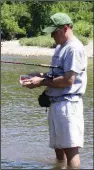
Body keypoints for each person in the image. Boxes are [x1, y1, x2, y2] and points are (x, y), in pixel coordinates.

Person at [20, 13, 87, 169]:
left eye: (53, 32)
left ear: (65, 28)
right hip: (55, 104)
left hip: (69, 105)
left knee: (71, 150)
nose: (51, 36)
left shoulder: (74, 48)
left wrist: (40, 83)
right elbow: (55, 75)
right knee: (58, 149)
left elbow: (68, 80)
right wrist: (34, 76)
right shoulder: (59, 47)